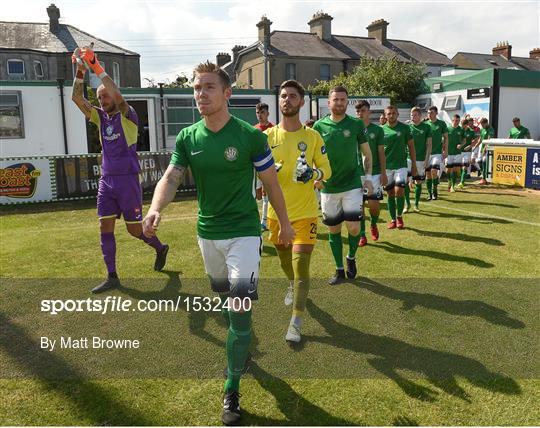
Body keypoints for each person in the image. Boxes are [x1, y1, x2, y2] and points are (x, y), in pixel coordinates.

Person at [142, 61, 294, 426]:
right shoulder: (188, 137)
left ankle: (231, 387)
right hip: (207, 236)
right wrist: (155, 209)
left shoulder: (250, 136)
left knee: (239, 314)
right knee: (226, 301)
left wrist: (285, 224)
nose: (201, 94)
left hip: (244, 234)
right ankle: (241, 347)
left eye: (208, 87)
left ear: (227, 94)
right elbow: (171, 177)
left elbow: (271, 184)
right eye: (197, 88)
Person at [70, 45, 169, 294]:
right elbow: (76, 99)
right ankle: (112, 276)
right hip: (107, 181)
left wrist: (97, 67)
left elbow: (121, 98)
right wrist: (80, 71)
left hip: (127, 181)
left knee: (135, 230)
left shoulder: (129, 116)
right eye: (100, 97)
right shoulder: (100, 118)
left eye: (106, 97)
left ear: (114, 97)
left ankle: (160, 247)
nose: (103, 101)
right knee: (104, 226)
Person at [265, 79, 331, 343]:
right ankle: (291, 285)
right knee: (284, 261)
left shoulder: (313, 136)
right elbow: (254, 170)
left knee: (301, 264)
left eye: (293, 96)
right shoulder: (267, 137)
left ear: (302, 102)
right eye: (283, 96)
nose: (287, 100)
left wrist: (313, 173)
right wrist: (268, 172)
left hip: (305, 214)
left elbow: (328, 169)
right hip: (276, 215)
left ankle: (296, 321)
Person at [313, 87, 373, 285]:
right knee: (334, 229)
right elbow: (313, 156)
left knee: (354, 228)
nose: (339, 103)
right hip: (329, 187)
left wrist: (368, 178)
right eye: (335, 99)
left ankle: (351, 257)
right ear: (328, 103)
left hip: (352, 184)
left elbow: (367, 153)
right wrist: (317, 176)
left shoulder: (355, 124)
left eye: (342, 100)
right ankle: (339, 269)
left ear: (347, 102)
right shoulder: (318, 127)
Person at [355, 100, 386, 246]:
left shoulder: (378, 130)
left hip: (374, 173)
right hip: (356, 173)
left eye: (363, 111)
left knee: (373, 205)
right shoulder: (353, 129)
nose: (360, 113)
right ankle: (362, 235)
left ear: (369, 112)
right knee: (359, 206)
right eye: (358, 111)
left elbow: (381, 152)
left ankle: (373, 224)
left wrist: (384, 173)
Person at [382, 105, 418, 229]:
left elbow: (412, 147)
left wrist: (413, 165)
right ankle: (393, 220)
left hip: (401, 166)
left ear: (397, 114)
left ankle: (399, 217)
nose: (391, 115)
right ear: (385, 116)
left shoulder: (405, 128)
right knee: (390, 193)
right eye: (389, 114)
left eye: (393, 113)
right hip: (386, 167)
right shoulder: (381, 130)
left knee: (399, 190)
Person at [254, 102, 274, 230]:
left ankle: (264, 222)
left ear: (267, 114)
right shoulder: (254, 129)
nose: (260, 115)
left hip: (268, 168)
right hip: (255, 169)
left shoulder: (274, 129)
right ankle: (256, 220)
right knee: (257, 196)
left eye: (262, 112)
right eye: (258, 113)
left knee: (267, 196)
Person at [407, 107, 432, 212]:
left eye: (415, 115)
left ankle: (416, 205)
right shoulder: (407, 127)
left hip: (421, 159)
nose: (413, 117)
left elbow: (429, 144)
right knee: (404, 182)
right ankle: (407, 204)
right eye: (411, 115)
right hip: (408, 159)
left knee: (418, 182)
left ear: (420, 116)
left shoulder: (426, 127)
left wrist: (427, 159)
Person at [425, 106, 448, 200]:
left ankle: (434, 191)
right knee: (428, 175)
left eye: (431, 113)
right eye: (428, 113)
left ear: (436, 113)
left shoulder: (441, 124)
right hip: (426, 153)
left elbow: (446, 137)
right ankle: (429, 193)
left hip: (437, 153)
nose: (429, 114)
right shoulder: (425, 124)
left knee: (434, 171)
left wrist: (446, 150)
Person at [446, 114, 465, 192]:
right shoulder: (447, 129)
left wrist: (461, 145)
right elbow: (444, 139)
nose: (456, 122)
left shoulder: (461, 130)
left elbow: (464, 140)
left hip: (457, 153)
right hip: (449, 152)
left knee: (454, 169)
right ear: (452, 120)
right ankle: (449, 181)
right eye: (455, 120)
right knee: (448, 170)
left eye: (458, 121)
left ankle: (452, 187)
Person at [474, 118, 495, 185]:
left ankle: (484, 178)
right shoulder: (482, 130)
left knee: (484, 161)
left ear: (486, 123)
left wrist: (485, 149)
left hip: (488, 149)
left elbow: (489, 140)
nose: (482, 126)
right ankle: (483, 174)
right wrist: (476, 146)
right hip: (482, 148)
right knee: (478, 161)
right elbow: (480, 139)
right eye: (481, 124)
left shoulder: (491, 129)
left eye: (483, 124)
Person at [457, 118, 476, 189]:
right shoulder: (459, 130)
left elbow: (475, 140)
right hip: (459, 151)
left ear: (467, 125)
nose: (462, 127)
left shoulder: (471, 131)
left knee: (465, 166)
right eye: (461, 125)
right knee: (460, 166)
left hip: (467, 152)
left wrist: (470, 146)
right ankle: (461, 179)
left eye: (463, 126)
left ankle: (462, 182)